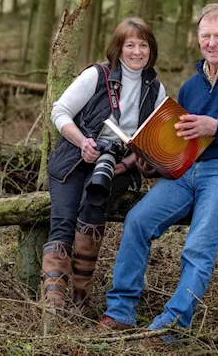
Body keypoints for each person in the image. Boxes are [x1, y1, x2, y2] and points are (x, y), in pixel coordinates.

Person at [96, 4, 218, 339]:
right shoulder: (191, 87)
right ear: (197, 38)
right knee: (137, 221)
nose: (211, 42)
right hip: (188, 173)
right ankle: (120, 310)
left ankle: (171, 327)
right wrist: (152, 161)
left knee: (198, 245)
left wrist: (217, 126)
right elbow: (181, 146)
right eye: (205, 35)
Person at [42, 17, 166, 314]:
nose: (137, 52)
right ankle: (53, 307)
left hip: (119, 166)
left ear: (152, 49)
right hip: (75, 158)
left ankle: (80, 299)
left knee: (92, 208)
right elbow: (59, 111)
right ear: (118, 48)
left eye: (143, 45)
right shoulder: (97, 76)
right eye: (130, 45)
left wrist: (129, 162)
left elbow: (154, 141)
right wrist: (83, 142)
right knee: (62, 222)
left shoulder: (156, 90)